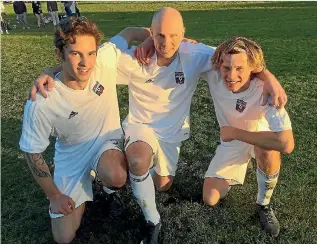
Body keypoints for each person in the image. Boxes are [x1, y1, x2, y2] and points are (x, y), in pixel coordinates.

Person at [30, 7, 287, 244]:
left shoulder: (196, 55)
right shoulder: (133, 59)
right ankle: (152, 222)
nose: (167, 43)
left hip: (171, 135)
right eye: (160, 36)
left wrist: (269, 77)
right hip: (140, 128)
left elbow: (234, 59)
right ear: (151, 33)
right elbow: (85, 63)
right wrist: (49, 71)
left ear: (184, 34)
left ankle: (116, 181)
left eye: (174, 36)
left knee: (163, 185)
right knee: (138, 161)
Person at [20, 16, 151, 243]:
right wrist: (54, 196)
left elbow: (131, 31)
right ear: (59, 54)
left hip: (105, 143)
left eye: (90, 53)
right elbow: (32, 153)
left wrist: (161, 40)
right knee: (64, 237)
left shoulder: (104, 60)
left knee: (117, 175)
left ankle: (104, 183)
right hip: (71, 156)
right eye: (75, 53)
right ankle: (84, 181)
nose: (85, 62)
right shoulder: (42, 101)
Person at [202, 37, 294, 237]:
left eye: (239, 69)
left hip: (257, 137)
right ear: (219, 64)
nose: (231, 75)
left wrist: (234, 132)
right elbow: (180, 45)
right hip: (232, 143)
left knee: (268, 148)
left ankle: (264, 204)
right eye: (226, 68)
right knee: (210, 198)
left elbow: (286, 144)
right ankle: (240, 165)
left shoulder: (266, 90)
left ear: (253, 67)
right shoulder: (214, 69)